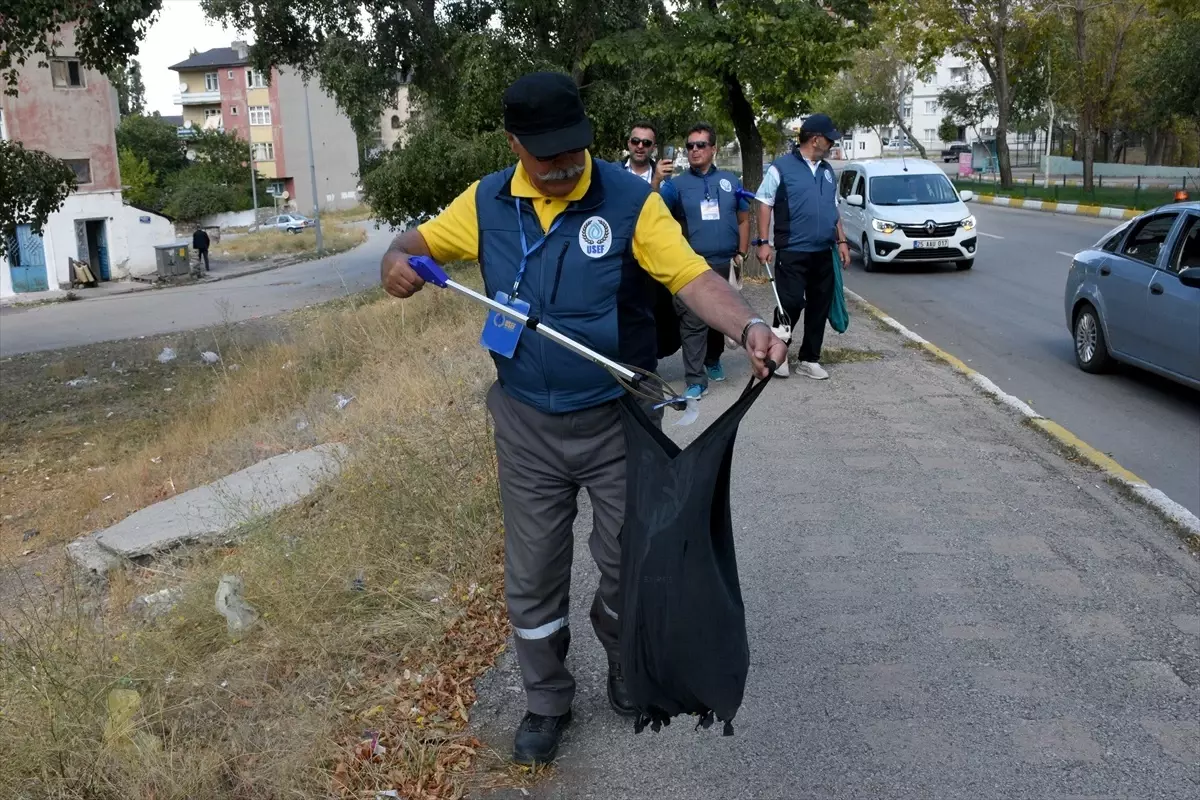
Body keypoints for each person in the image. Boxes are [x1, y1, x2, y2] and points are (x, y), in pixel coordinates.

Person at [380, 71, 786, 767]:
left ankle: (627, 663)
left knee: (629, 564)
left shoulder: (631, 200)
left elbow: (692, 277)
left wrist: (748, 325)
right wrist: (396, 264)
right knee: (534, 576)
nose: (568, 167)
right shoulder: (484, 203)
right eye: (550, 158)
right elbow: (409, 246)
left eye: (577, 150)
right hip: (527, 423)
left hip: (618, 417)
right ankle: (547, 701)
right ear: (514, 145)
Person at [753, 113, 852, 380]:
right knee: (790, 302)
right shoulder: (781, 168)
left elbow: (833, 208)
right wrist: (764, 242)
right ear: (816, 139)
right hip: (793, 250)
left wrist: (841, 240)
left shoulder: (827, 170)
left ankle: (810, 358)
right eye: (829, 139)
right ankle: (779, 352)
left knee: (820, 305)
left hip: (824, 251)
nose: (832, 144)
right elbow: (764, 203)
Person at [659, 122, 750, 398]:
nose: (694, 150)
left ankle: (713, 359)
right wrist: (656, 181)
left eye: (700, 145)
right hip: (693, 267)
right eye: (690, 145)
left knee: (719, 317)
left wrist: (741, 253)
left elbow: (744, 218)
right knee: (694, 321)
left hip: (725, 262)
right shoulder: (675, 186)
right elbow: (656, 215)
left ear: (714, 149)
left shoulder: (731, 181)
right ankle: (695, 380)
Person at [620, 121, 673, 189]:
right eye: (635, 141)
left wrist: (656, 181)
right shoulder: (613, 171)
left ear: (654, 148)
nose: (640, 146)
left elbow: (660, 199)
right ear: (629, 143)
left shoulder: (664, 179)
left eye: (646, 143)